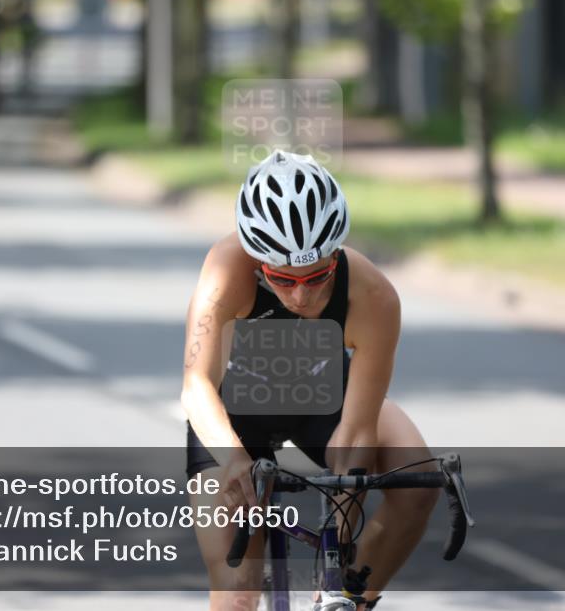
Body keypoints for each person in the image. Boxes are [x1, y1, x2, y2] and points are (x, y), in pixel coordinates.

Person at [181, 150, 439, 610]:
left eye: (317, 276)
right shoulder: (227, 269)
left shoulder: (374, 296)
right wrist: (233, 457)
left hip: (322, 393)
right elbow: (196, 385)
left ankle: (349, 598)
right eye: (282, 279)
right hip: (233, 411)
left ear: (336, 254)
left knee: (419, 480)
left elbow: (358, 427)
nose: (301, 294)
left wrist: (340, 539)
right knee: (238, 591)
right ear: (258, 262)